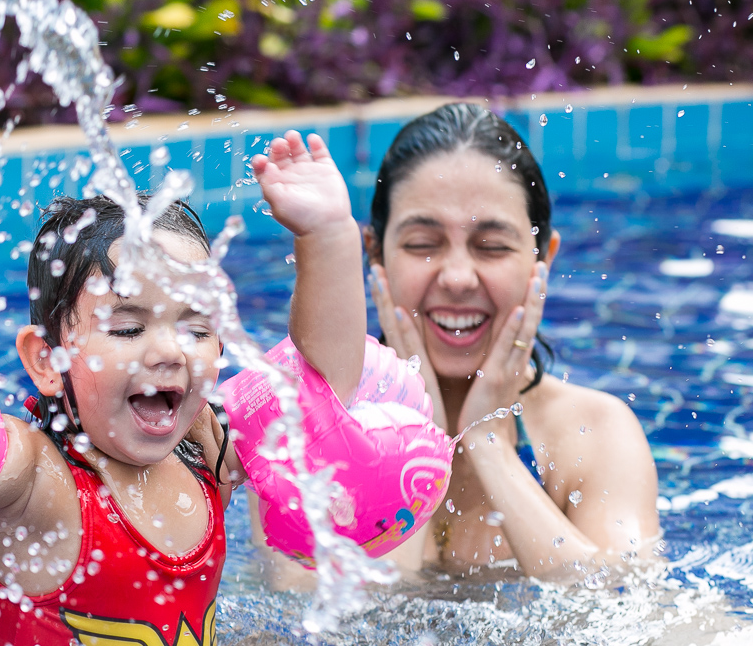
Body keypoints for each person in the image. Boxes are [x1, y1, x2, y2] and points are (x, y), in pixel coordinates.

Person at [0, 130, 372, 645]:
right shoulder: (37, 483)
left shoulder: (207, 453)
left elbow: (321, 393)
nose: (169, 351)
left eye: (196, 329)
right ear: (48, 360)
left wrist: (328, 235)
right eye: (129, 328)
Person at [254, 103, 658, 588]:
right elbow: (331, 618)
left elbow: (626, 608)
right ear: (375, 252)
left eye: (492, 247)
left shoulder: (594, 433)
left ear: (542, 259)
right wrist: (418, 437)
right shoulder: (308, 424)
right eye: (423, 244)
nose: (458, 278)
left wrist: (490, 445)